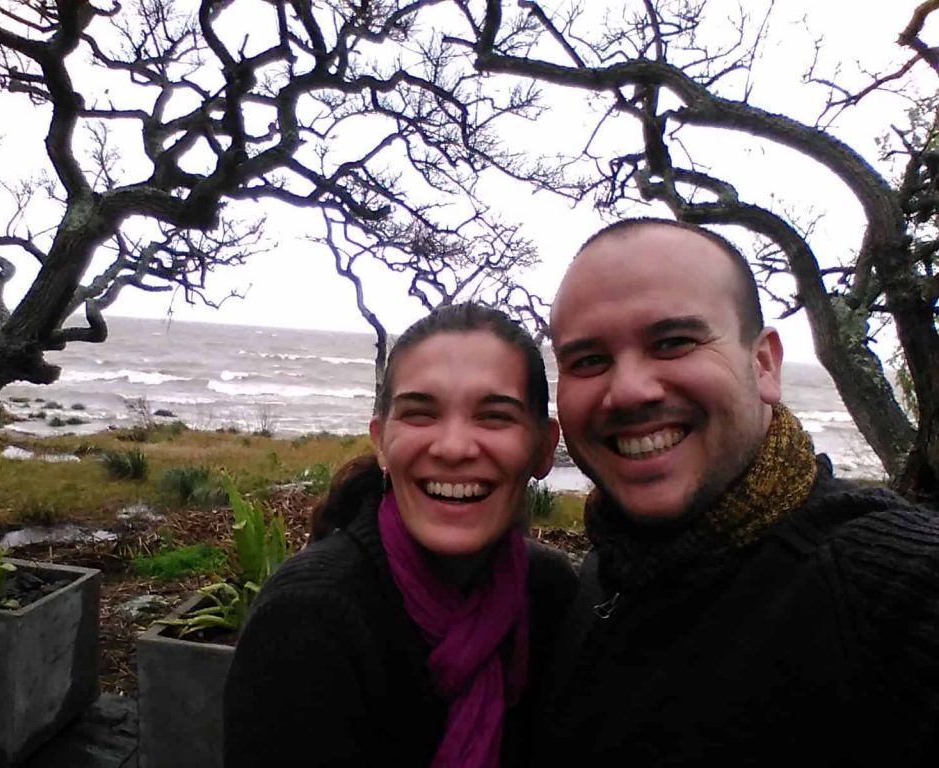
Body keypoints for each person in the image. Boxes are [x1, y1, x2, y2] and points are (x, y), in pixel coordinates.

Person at [535, 218, 939, 766]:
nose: (627, 390)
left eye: (674, 342)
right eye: (588, 361)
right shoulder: (600, 581)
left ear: (764, 363)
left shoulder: (896, 587)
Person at [224, 302, 577, 768]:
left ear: (543, 447)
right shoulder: (309, 619)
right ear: (381, 442)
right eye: (420, 414)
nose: (453, 448)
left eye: (494, 416)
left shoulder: (550, 593)